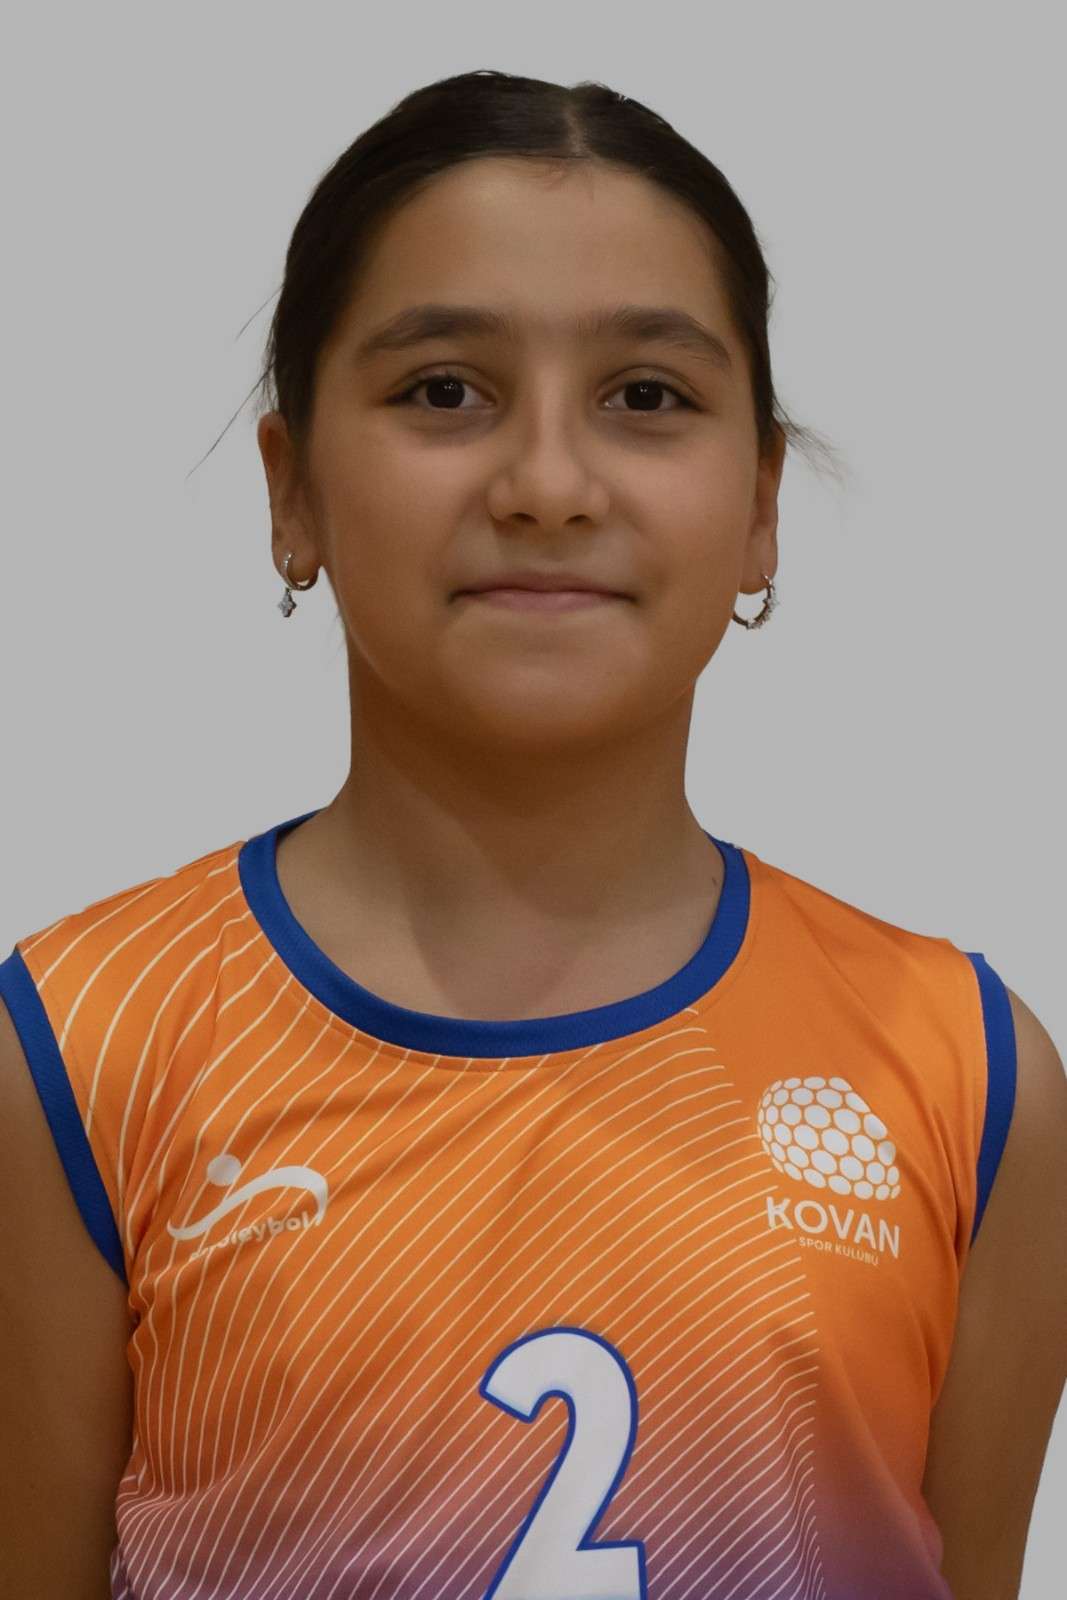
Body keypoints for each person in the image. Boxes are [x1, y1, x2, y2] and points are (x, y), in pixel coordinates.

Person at [1, 68, 1064, 1600]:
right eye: (445, 391)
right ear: (293, 491)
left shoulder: (967, 1075)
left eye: (648, 397)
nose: (550, 485)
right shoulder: (82, 1048)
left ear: (761, 503)